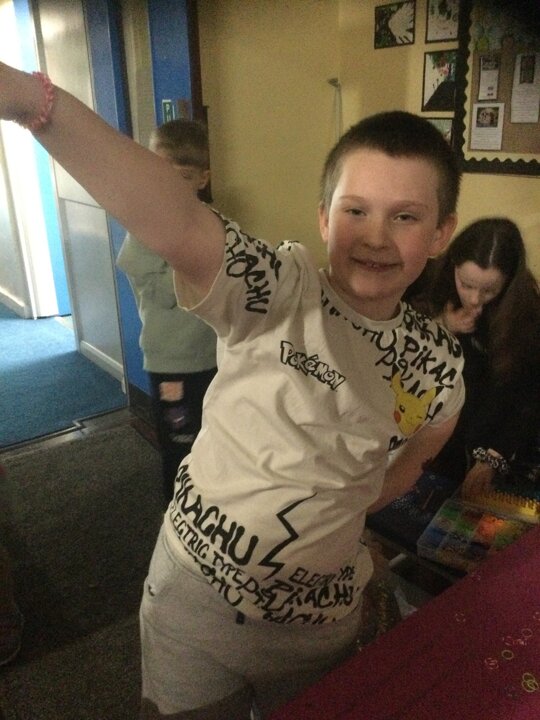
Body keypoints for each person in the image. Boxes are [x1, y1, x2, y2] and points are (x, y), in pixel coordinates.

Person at [0, 63, 465, 719]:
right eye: (355, 210)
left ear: (441, 233)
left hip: (322, 626)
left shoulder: (437, 361)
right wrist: (31, 99)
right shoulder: (277, 288)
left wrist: (346, 506)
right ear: (324, 218)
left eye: (406, 216)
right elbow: (177, 221)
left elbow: (425, 444)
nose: (375, 236)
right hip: (197, 610)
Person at [117, 119, 217, 503]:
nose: (172, 186)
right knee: (179, 443)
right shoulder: (145, 228)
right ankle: (174, 513)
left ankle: (207, 507)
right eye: (163, 173)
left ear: (202, 179)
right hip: (172, 363)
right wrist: (195, 259)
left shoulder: (209, 220)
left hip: (212, 355)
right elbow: (160, 293)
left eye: (185, 176)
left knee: (211, 438)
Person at [405, 217, 540, 498]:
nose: (475, 299)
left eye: (489, 290)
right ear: (453, 265)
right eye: (466, 284)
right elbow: (399, 348)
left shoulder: (526, 312)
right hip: (425, 428)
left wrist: (494, 455)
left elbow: (527, 396)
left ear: (509, 282)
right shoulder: (429, 281)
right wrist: (442, 325)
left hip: (487, 435)